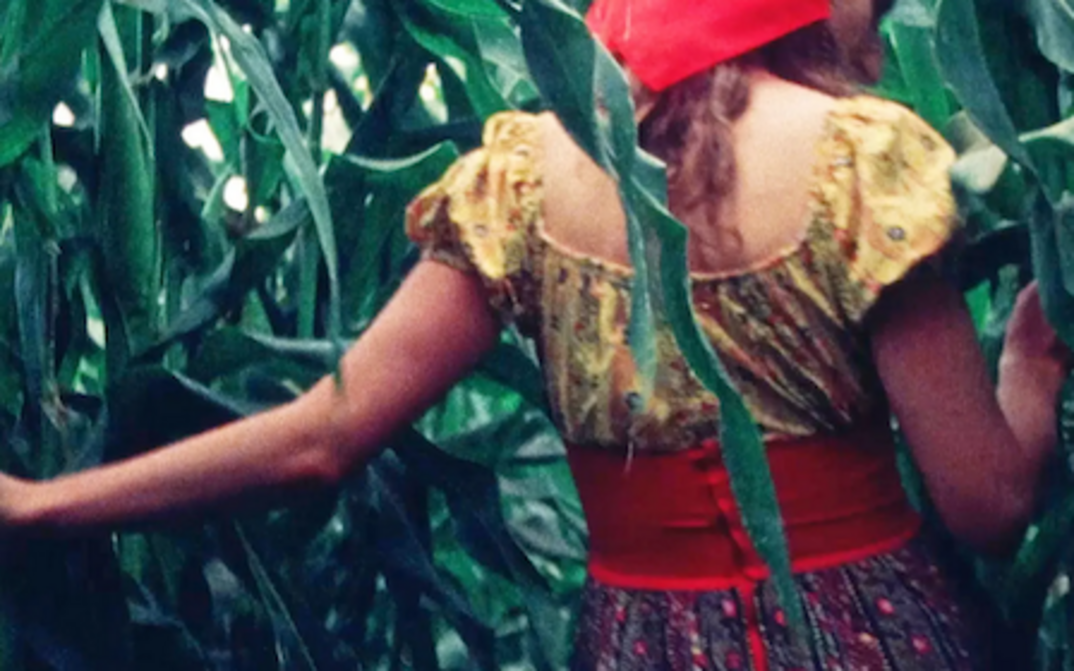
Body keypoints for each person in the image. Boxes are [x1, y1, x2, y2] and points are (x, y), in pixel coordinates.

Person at [0, 0, 1068, 668]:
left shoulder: (520, 183)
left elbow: (319, 437)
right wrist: (1028, 369)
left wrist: (41, 504)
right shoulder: (863, 164)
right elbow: (987, 506)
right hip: (872, 637)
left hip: (638, 642)